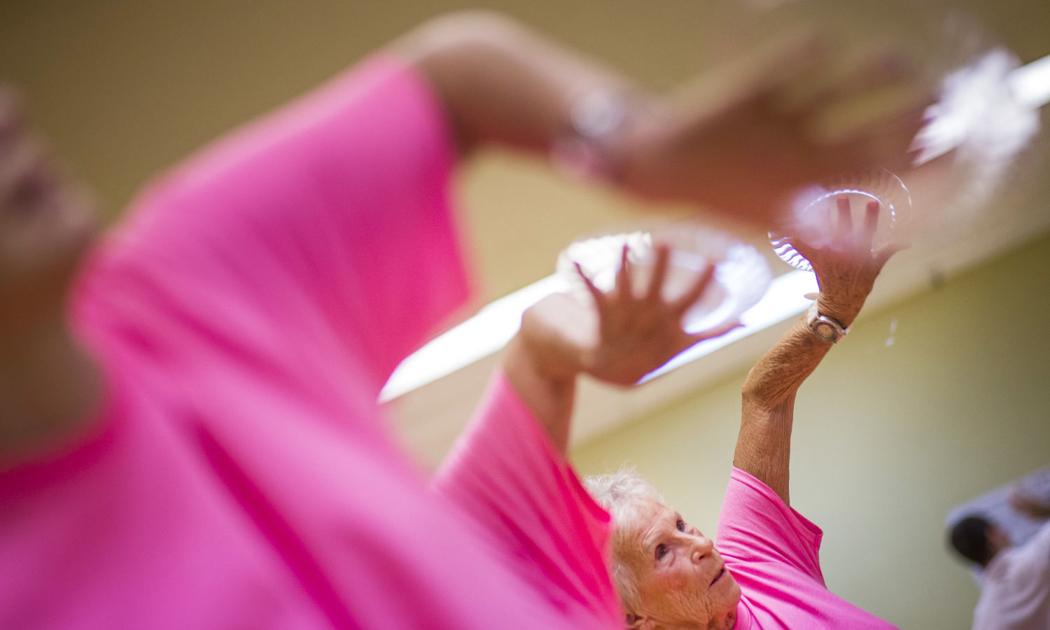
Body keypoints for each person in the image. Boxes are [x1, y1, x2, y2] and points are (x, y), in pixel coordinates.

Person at [0, 10, 923, 629]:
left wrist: (640, 148)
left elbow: (456, 85)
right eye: (663, 548)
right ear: (617, 608)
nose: (10, 109)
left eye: (677, 527)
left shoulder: (178, 289)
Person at [501, 196, 903, 628]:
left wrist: (834, 310)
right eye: (662, 551)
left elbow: (765, 399)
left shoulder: (752, 564)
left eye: (682, 524)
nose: (703, 544)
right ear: (634, 616)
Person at [948, 491, 1050, 630]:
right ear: (991, 535)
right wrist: (1043, 510)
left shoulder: (983, 618)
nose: (1006, 533)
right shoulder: (1038, 555)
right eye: (999, 528)